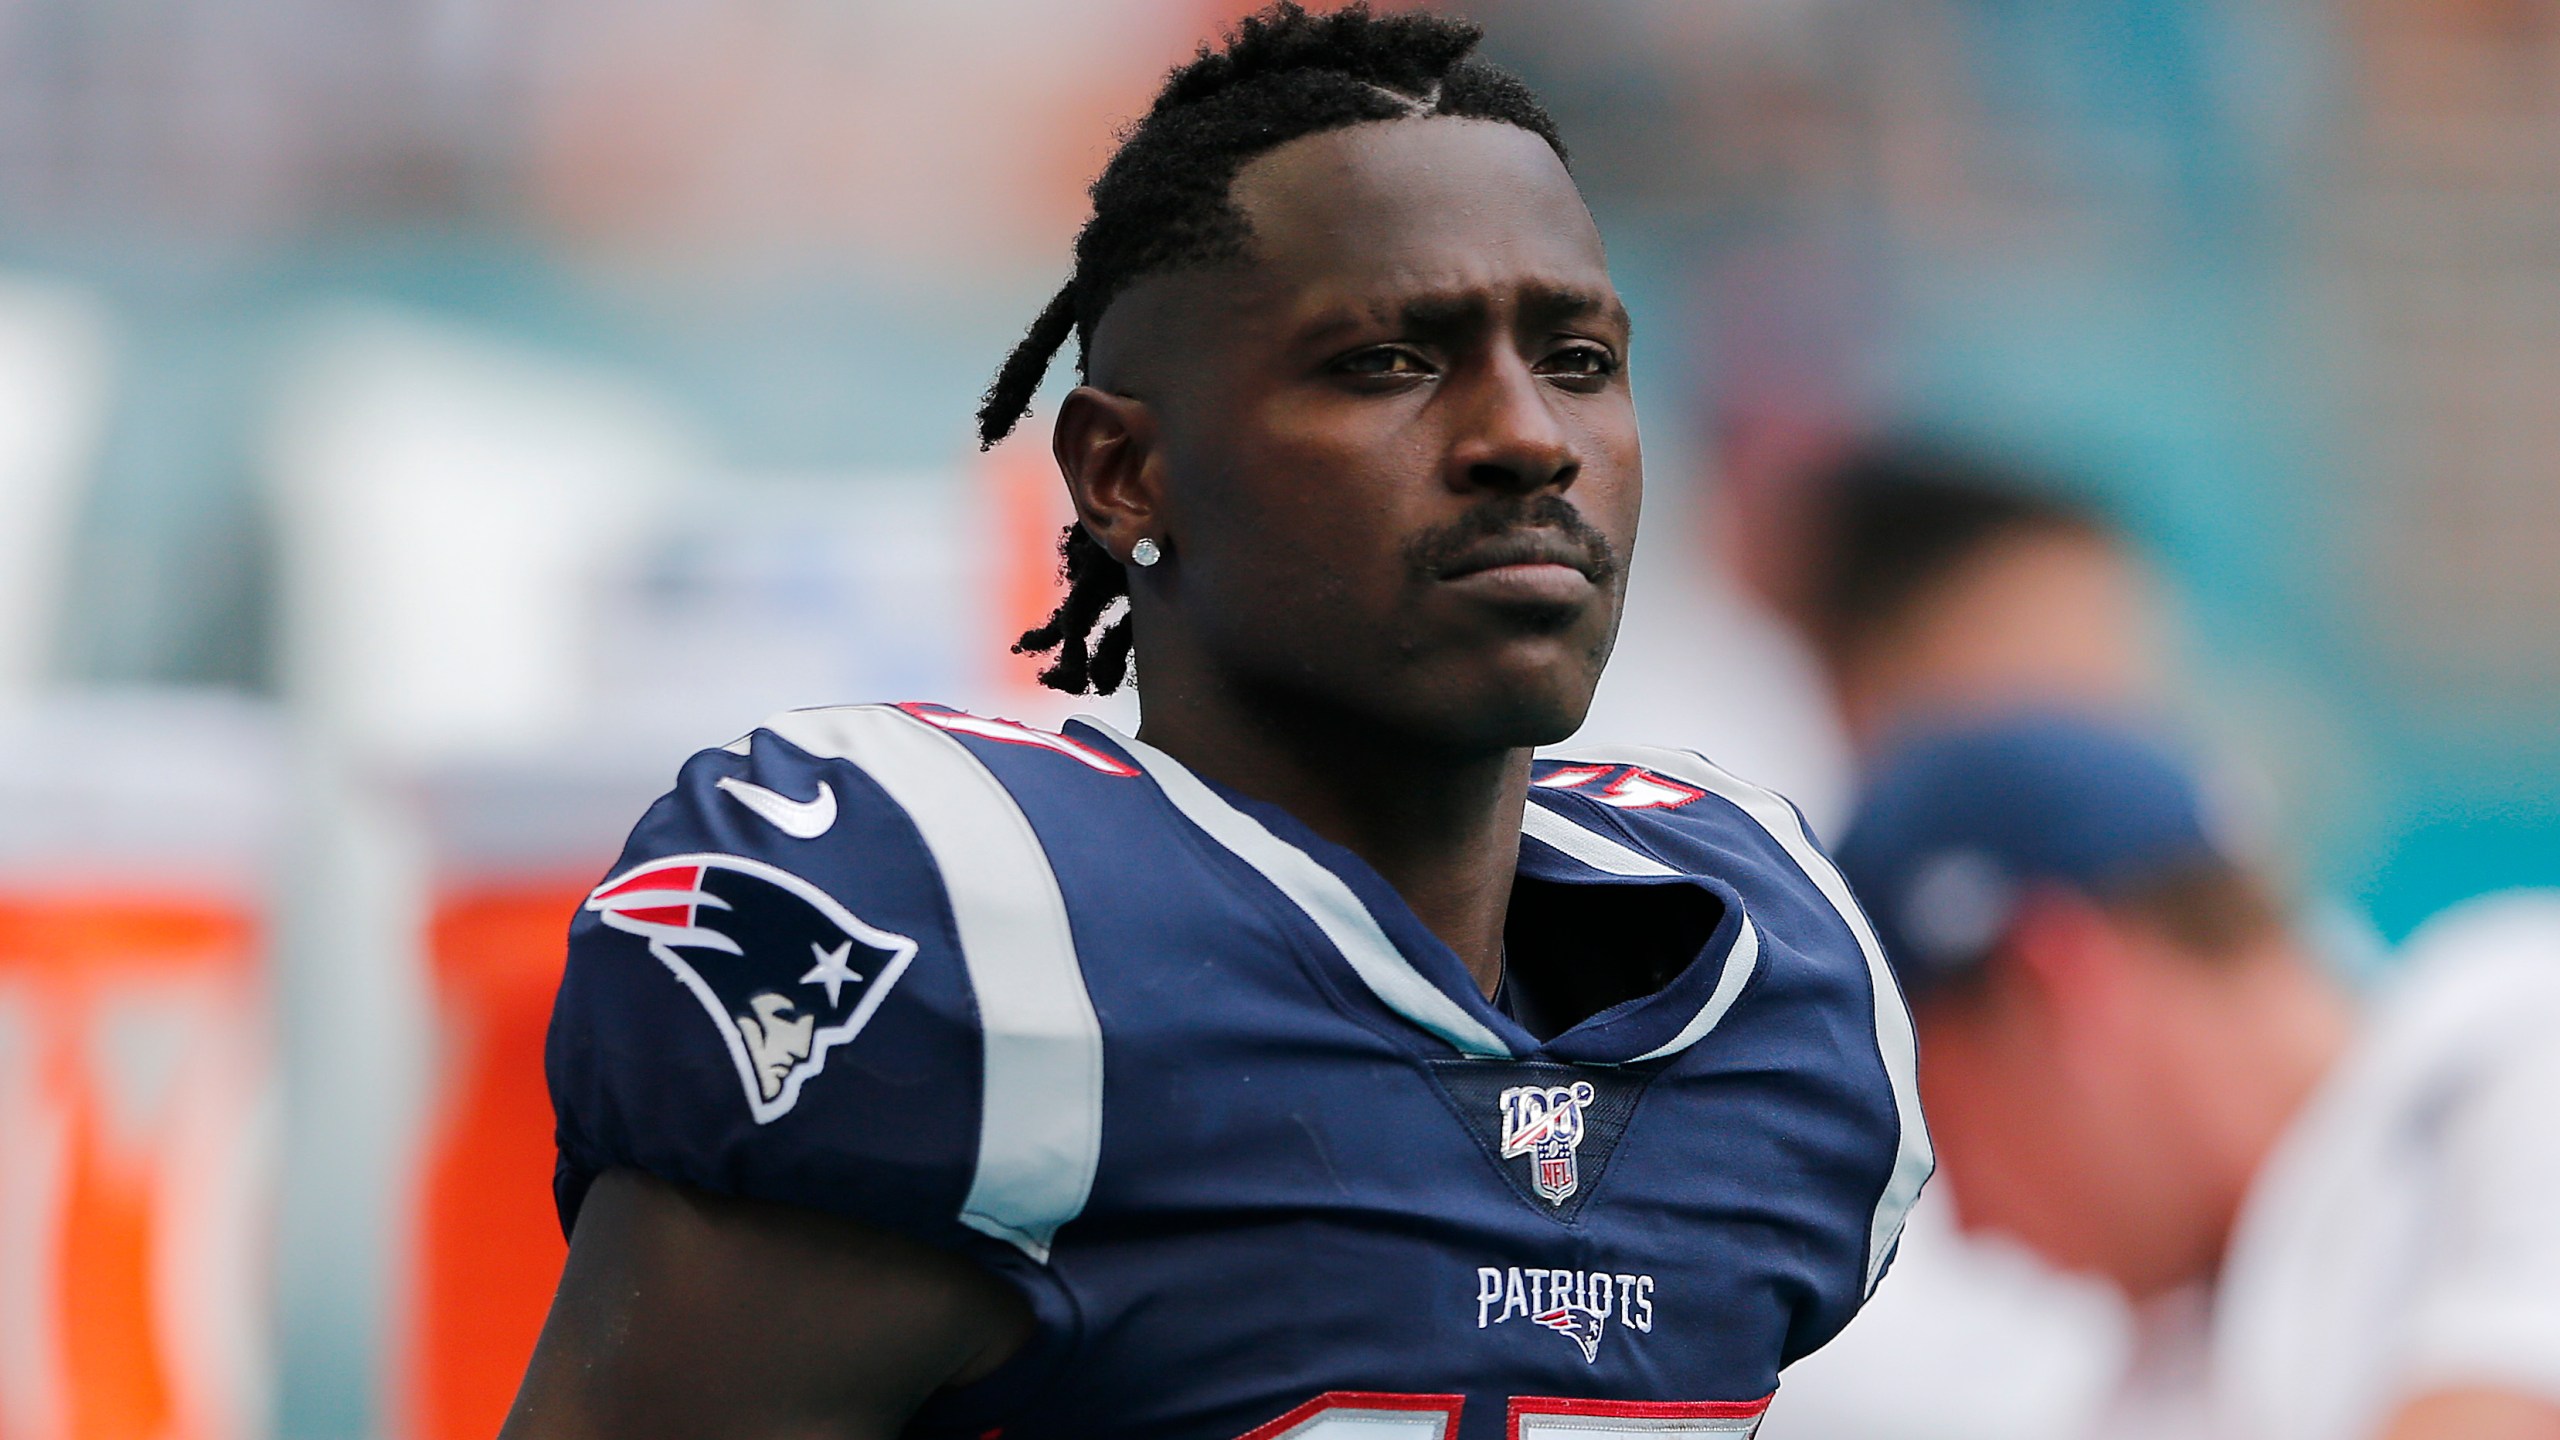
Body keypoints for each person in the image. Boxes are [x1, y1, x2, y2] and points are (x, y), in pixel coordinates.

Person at [503, 8, 1928, 1439]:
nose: (1528, 436)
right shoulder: (967, 955)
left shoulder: (1781, 988)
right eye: (1387, 361)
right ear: (1124, 474)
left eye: (1576, 358)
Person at [1834, 710, 2560, 1440]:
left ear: (2060, 988)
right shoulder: (2147, 1378)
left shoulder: (2513, 1038)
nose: (1969, 1226)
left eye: (1948, 1139)